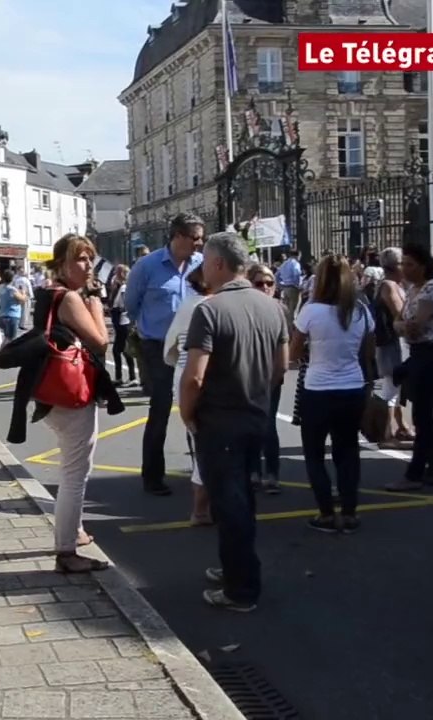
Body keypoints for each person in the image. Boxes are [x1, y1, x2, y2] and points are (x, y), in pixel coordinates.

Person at [178, 231, 288, 612]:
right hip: (255, 415)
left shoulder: (208, 310)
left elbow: (193, 377)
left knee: (231, 505)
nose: (201, 267)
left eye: (205, 260)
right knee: (240, 499)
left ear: (219, 264)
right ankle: (234, 569)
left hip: (220, 420)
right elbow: (280, 367)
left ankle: (242, 589)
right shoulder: (272, 307)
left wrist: (188, 413)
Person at [33, 235, 110, 573]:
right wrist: (95, 304)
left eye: (90, 258)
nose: (88, 265)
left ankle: (73, 531)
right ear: (62, 263)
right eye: (80, 259)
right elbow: (101, 342)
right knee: (75, 473)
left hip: (52, 390)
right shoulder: (70, 299)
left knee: (74, 466)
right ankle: (66, 551)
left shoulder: (50, 292)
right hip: (71, 394)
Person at [291, 255, 374, 533]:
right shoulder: (360, 311)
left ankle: (326, 513)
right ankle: (349, 513)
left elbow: (294, 351)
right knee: (348, 451)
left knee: (314, 454)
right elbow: (367, 352)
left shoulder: (311, 312)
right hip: (352, 386)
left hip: (317, 388)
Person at [124, 212, 205, 496]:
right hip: (157, 346)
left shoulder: (201, 264)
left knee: (197, 408)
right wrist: (148, 331)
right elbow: (131, 305)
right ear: (178, 236)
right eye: (195, 238)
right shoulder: (147, 266)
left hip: (193, 345)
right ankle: (153, 476)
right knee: (160, 409)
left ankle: (201, 475)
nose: (199, 244)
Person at [387, 243, 433, 492]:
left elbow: (414, 325)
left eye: (410, 264)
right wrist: (402, 325)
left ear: (423, 266)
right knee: (423, 412)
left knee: (422, 415)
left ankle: (414, 473)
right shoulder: (414, 289)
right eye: (403, 264)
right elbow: (399, 320)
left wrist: (402, 325)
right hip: (419, 352)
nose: (404, 269)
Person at [163, 271, 213, 525]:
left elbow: (169, 348)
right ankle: (201, 509)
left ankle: (202, 509)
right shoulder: (207, 306)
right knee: (207, 445)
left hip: (184, 376)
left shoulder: (187, 305)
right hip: (202, 378)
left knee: (200, 443)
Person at [246, 263, 286, 494]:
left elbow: (286, 346)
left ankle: (272, 473)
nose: (265, 287)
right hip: (248, 374)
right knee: (250, 425)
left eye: (269, 283)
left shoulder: (280, 309)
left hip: (271, 375)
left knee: (268, 424)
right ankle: (253, 471)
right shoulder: (245, 308)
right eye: (259, 283)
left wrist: (276, 375)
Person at [372, 248, 413, 447]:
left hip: (393, 342)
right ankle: (386, 435)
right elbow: (401, 313)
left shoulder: (394, 284)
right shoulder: (389, 286)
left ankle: (401, 426)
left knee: (395, 386)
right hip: (390, 342)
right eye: (403, 263)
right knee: (391, 388)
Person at [111, 274, 137, 387]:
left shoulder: (123, 288)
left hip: (123, 321)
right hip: (122, 321)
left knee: (121, 350)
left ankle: (127, 377)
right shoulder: (122, 288)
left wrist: (118, 309)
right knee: (122, 350)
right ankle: (122, 377)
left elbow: (124, 304)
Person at [0, 269, 25, 343]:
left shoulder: (1, 287)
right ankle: (6, 353)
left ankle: (2, 352)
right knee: (12, 339)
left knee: (6, 337)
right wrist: (23, 292)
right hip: (12, 315)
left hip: (3, 314)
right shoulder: (12, 289)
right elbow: (22, 299)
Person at [276, 248, 303, 321]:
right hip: (293, 288)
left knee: (287, 310)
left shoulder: (284, 263)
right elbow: (296, 274)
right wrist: (298, 285)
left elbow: (277, 275)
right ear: (298, 255)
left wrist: (279, 285)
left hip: (285, 288)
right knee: (294, 310)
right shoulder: (295, 263)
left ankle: (287, 326)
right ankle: (292, 327)